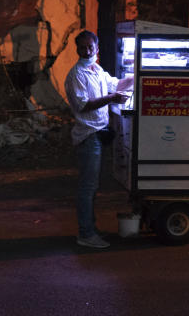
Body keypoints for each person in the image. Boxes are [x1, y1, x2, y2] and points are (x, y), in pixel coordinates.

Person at [64, 29, 133, 249]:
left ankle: (90, 229)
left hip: (97, 135)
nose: (86, 51)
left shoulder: (96, 69)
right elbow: (84, 105)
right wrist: (111, 98)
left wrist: (138, 74)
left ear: (97, 48)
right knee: (87, 187)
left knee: (92, 187)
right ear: (77, 49)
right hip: (88, 136)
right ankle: (85, 234)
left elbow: (115, 85)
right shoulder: (76, 75)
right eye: (81, 47)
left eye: (89, 47)